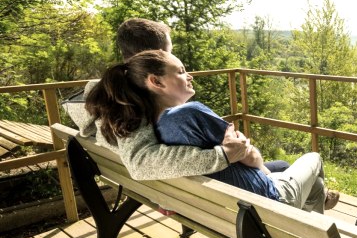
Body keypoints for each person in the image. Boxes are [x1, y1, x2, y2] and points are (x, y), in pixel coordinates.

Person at [86, 50, 340, 213]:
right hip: (265, 204)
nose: (190, 75)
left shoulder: (136, 126)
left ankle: (319, 199)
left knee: (305, 179)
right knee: (313, 159)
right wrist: (239, 159)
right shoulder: (188, 115)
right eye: (181, 71)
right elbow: (251, 158)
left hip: (215, 210)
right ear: (156, 81)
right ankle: (311, 222)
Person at [64, 18, 287, 180]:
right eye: (170, 52)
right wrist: (224, 155)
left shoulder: (109, 99)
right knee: (285, 168)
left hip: (171, 190)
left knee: (284, 168)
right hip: (208, 193)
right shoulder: (133, 107)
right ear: (157, 57)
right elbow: (141, 162)